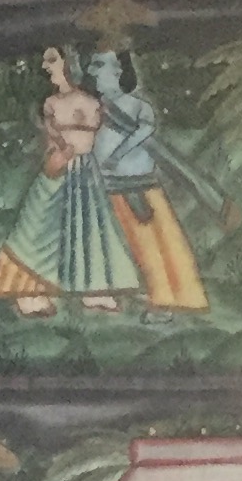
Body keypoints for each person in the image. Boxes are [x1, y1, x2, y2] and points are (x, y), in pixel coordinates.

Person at [0, 45, 144, 320]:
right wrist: (58, 155)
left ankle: (95, 290)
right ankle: (30, 292)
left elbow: (98, 136)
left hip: (86, 171)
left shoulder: (93, 103)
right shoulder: (51, 104)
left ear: (69, 63)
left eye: (52, 60)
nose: (47, 67)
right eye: (46, 62)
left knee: (91, 228)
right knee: (37, 225)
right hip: (58, 168)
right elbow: (51, 140)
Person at [89, 45, 210, 320]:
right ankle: (148, 294)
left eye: (99, 65)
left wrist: (117, 154)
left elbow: (146, 128)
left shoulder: (137, 106)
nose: (92, 72)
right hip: (110, 187)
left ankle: (167, 301)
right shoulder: (99, 107)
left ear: (119, 72)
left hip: (139, 187)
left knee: (154, 246)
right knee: (128, 247)